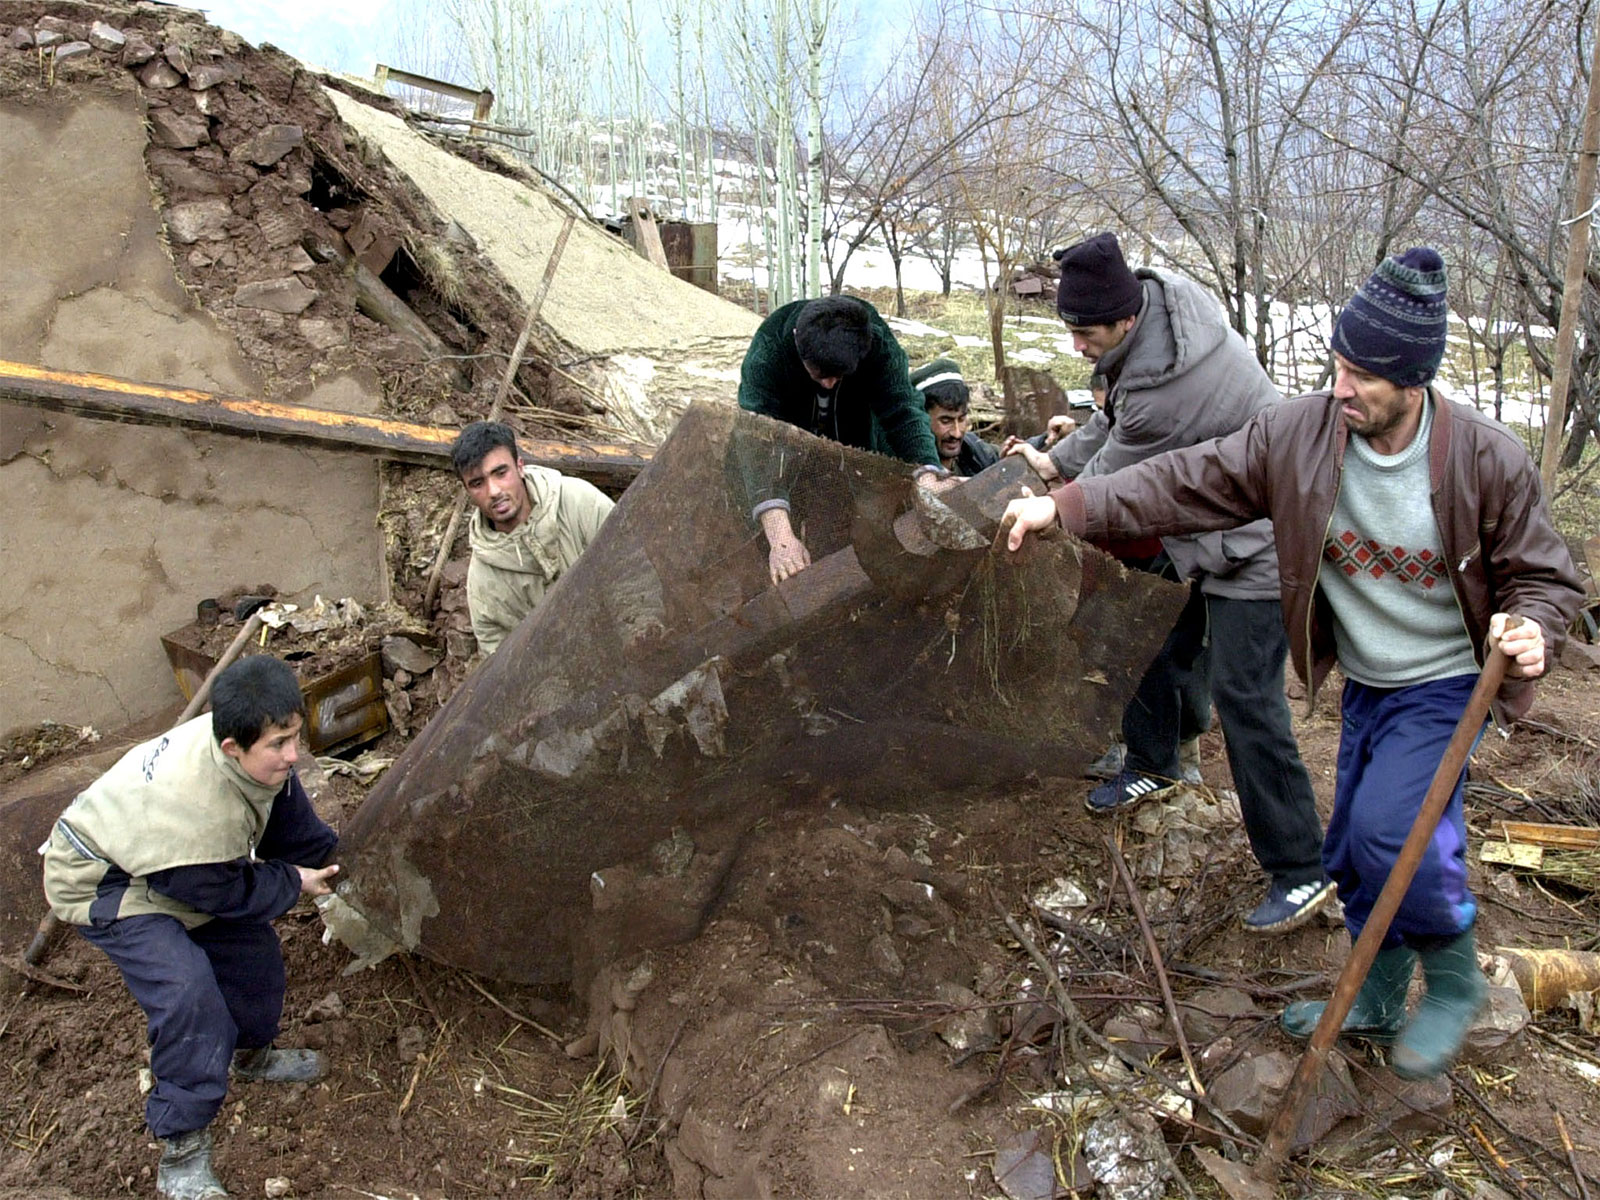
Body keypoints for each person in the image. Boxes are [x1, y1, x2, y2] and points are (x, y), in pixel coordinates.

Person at [1003, 247, 1586, 1078]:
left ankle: (1454, 980)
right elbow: (1187, 480)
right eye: (1338, 366)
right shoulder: (1304, 433)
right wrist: (1068, 505)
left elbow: (1546, 576)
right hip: (1369, 683)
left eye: (1363, 377)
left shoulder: (1484, 459)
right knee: (1348, 847)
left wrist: (1533, 625)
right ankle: (1379, 997)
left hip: (1448, 683)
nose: (1340, 388)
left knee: (1393, 837)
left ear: (1413, 380)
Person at [1006, 232, 1330, 933]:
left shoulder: (1169, 386)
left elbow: (1119, 482)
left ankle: (1302, 869)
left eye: (1085, 334)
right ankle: (1156, 762)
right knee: (1146, 626)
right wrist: (1052, 464)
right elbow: (1112, 423)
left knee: (1248, 696)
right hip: (1202, 520)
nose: (1076, 348)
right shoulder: (1157, 308)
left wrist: (1050, 504)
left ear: (1123, 321)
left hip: (1260, 538)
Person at [42, 656, 342, 1199]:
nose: (293, 755)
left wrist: (346, 868)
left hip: (172, 863)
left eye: (294, 736)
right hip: (102, 880)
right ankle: (181, 1154)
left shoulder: (252, 744)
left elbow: (290, 821)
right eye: (279, 745)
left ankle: (253, 1056)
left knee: (255, 960)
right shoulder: (198, 811)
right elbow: (225, 890)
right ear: (233, 748)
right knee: (187, 993)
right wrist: (291, 882)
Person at [737, 294, 941, 584]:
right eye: (820, 375)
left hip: (853, 449)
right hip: (783, 457)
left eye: (838, 376)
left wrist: (928, 475)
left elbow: (903, 410)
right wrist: (780, 536)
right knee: (774, 551)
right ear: (798, 342)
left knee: (847, 541)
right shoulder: (769, 349)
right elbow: (756, 438)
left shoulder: (877, 343)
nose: (829, 383)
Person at [452, 420, 615, 656]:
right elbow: (503, 671)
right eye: (478, 483)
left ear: (519, 467)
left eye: (500, 473)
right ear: (468, 492)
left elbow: (635, 565)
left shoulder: (580, 502)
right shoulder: (483, 585)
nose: (494, 491)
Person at [912, 357, 999, 476]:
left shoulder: (974, 451)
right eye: (946, 421)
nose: (956, 433)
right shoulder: (903, 469)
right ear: (922, 420)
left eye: (961, 419)